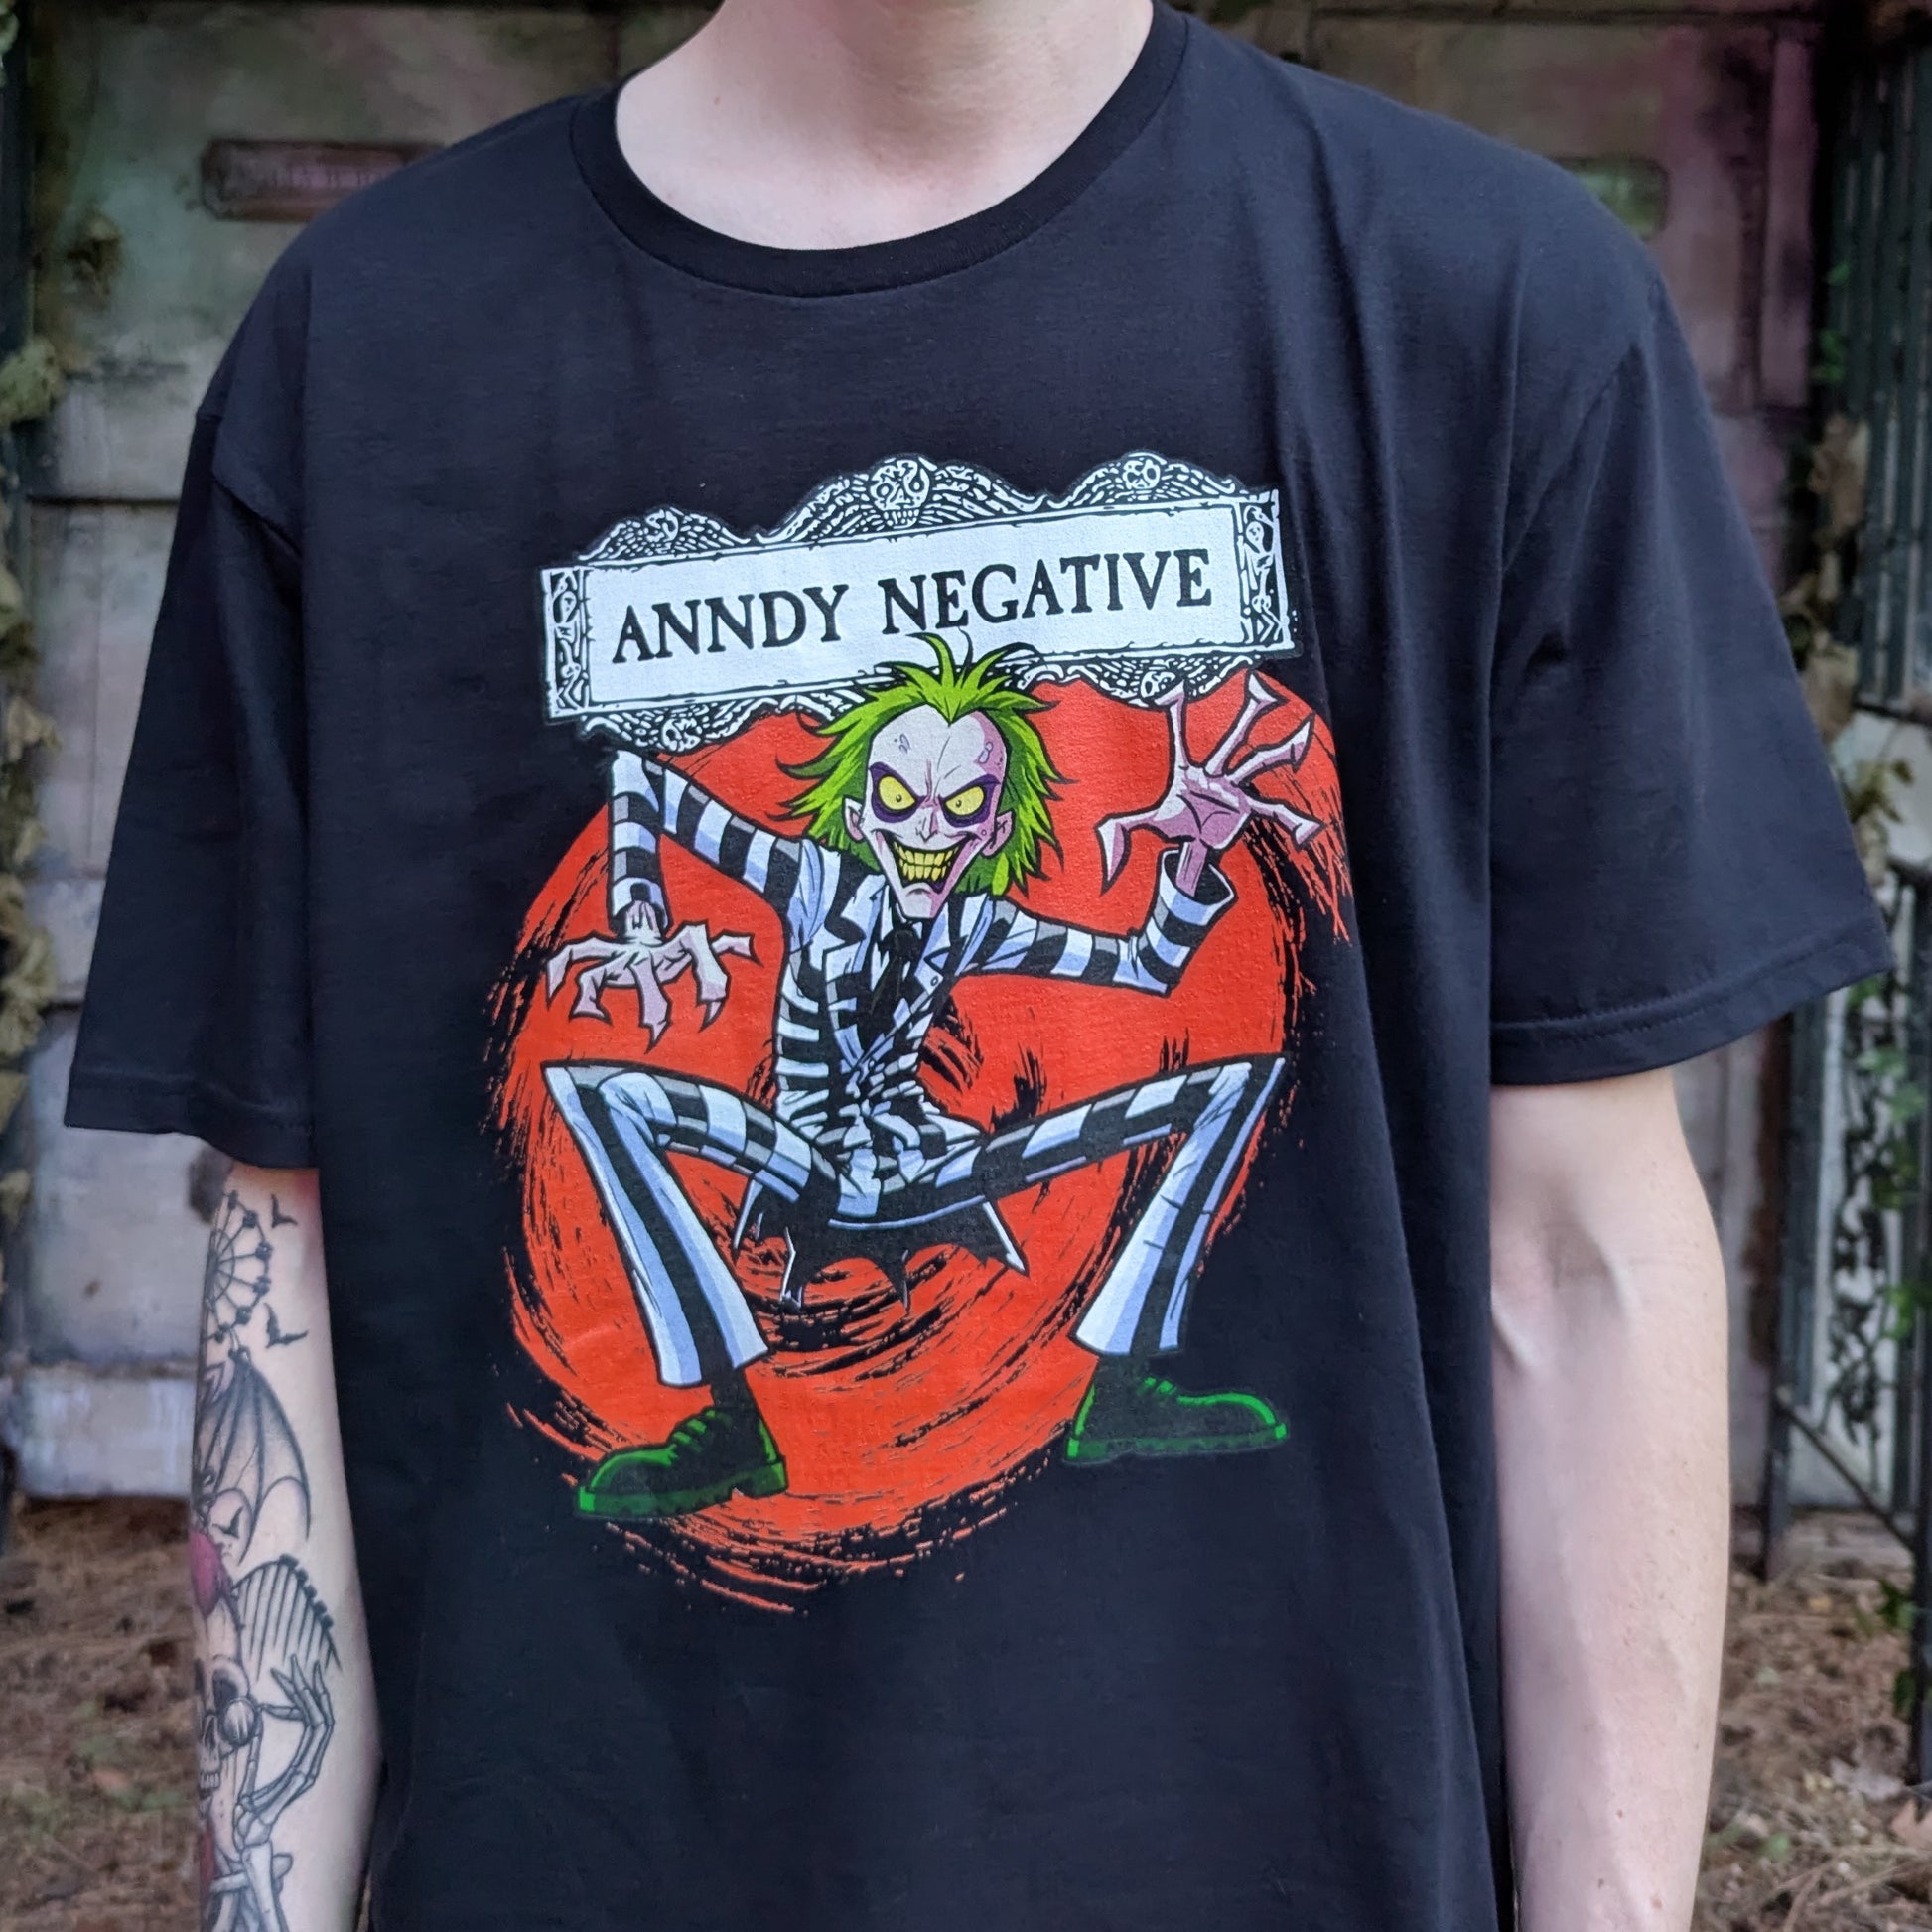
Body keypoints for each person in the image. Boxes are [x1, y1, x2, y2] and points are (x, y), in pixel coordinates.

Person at [65, 1, 1886, 1927]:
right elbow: (288, 1237)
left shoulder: (1498, 304)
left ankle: (1111, 1371)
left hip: (959, 1219)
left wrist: (1197, 844)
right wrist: (654, 909)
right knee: (604, 1085)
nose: (924, 827)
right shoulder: (370, 351)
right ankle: (723, 1402)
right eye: (899, 794)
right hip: (768, 1241)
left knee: (1202, 1083)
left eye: (961, 801)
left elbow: (1570, 1251)